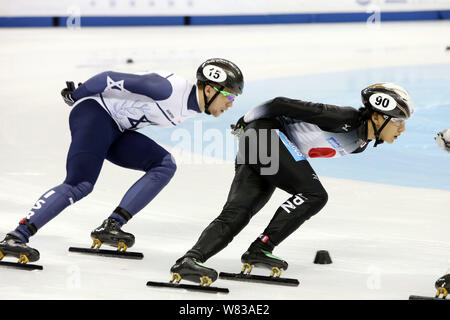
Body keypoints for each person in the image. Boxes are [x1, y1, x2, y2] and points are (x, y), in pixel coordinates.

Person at [0, 58, 244, 264]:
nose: (231, 103)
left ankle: (112, 225)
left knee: (164, 164)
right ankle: (17, 236)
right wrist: (76, 95)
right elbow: (107, 78)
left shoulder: (193, 105)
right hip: (95, 114)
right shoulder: (166, 89)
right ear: (210, 90)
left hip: (117, 127)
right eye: (229, 96)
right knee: (80, 183)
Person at [169, 82, 414, 286]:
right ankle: (260, 247)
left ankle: (191, 260)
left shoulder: (359, 145)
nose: (401, 128)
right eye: (398, 121)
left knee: (239, 211)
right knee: (314, 194)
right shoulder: (344, 118)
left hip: (264, 143)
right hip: (262, 135)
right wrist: (245, 121)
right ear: (378, 115)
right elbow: (279, 104)